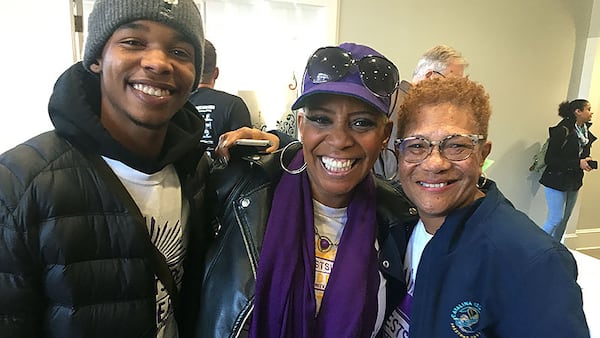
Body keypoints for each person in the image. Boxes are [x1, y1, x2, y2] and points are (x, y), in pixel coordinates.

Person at [0, 1, 232, 336]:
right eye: (133, 42)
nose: (157, 62)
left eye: (179, 51)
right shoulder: (20, 183)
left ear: (196, 74)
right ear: (96, 58)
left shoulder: (195, 170)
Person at [193, 42, 418, 338]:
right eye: (321, 119)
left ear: (385, 135)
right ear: (301, 125)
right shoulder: (242, 191)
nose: (339, 140)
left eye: (361, 123)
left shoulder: (399, 222)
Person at [381, 76, 589, 337]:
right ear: (399, 154)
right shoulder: (397, 224)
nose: (434, 163)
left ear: (482, 154)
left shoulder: (534, 262)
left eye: (456, 146)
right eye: (417, 146)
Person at [375, 44, 468, 181]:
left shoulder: (398, 100)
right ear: (430, 76)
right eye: (453, 83)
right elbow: (392, 170)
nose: (456, 91)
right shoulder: (403, 106)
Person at [540, 99, 596, 241]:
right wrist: (578, 163)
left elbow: (580, 154)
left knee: (564, 219)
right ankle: (536, 247)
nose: (591, 112)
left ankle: (555, 249)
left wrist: (585, 161)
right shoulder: (562, 130)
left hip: (574, 180)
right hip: (556, 179)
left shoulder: (585, 133)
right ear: (578, 111)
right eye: (588, 109)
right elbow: (550, 159)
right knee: (555, 219)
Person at [188, 39, 253, 156]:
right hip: (225, 174)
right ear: (216, 73)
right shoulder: (234, 104)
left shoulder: (176, 106)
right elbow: (246, 155)